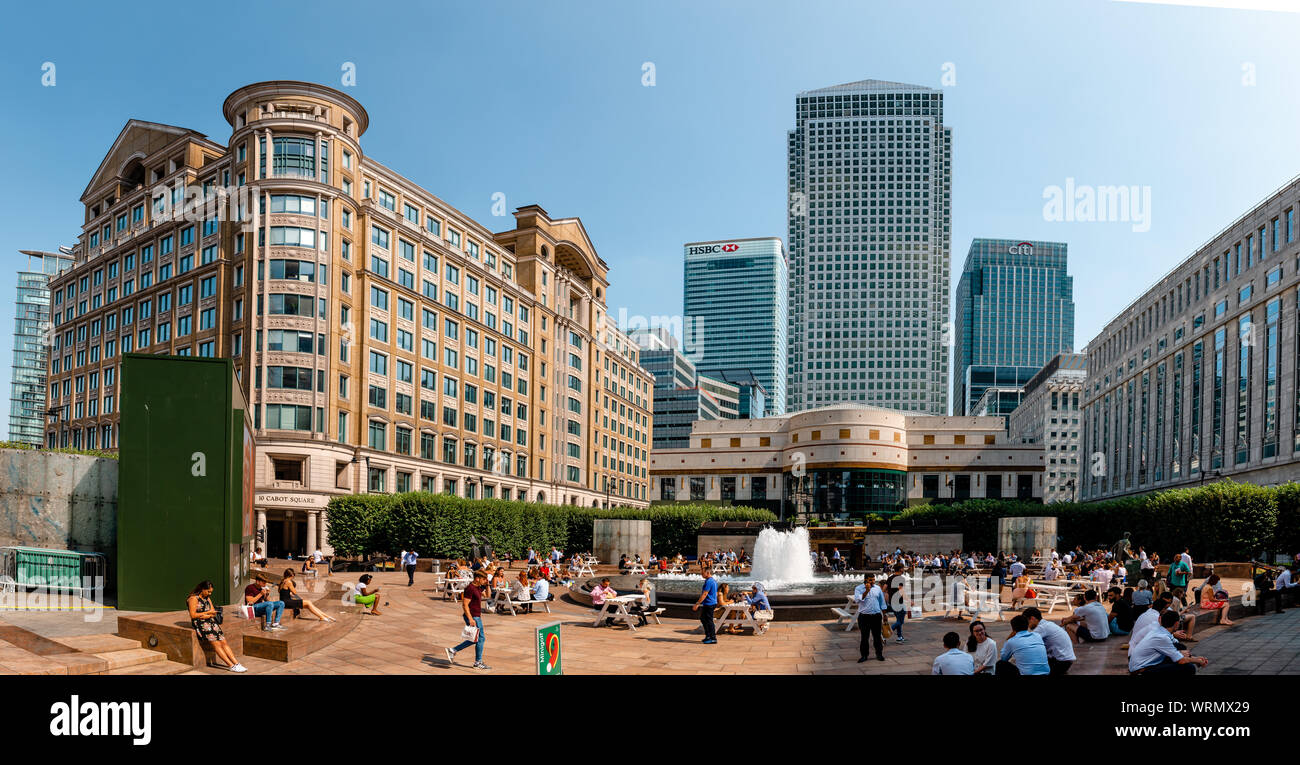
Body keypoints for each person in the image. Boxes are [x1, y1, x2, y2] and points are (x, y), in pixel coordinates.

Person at [187, 580, 246, 672]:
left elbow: (213, 612)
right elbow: (193, 615)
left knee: (224, 642)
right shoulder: (193, 599)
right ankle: (230, 665)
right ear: (202, 589)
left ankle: (236, 663)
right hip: (201, 624)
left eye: (211, 591)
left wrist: (209, 615)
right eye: (208, 591)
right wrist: (207, 613)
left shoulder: (207, 598)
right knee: (217, 644)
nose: (210, 593)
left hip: (211, 622)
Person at [1129, 610, 1209, 675]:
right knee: (1189, 668)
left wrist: (1195, 658)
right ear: (1176, 624)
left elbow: (1176, 650)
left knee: (1179, 647)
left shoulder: (1160, 630)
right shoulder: (1162, 637)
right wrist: (1198, 661)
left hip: (1144, 663)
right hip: (1141, 669)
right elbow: (1181, 660)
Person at [446, 571, 490, 670]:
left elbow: (487, 595)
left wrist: (487, 585)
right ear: (477, 578)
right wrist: (470, 618)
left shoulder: (478, 587)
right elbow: (464, 604)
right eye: (484, 579)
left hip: (476, 616)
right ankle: (478, 662)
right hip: (473, 616)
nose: (485, 581)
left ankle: (453, 650)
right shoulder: (470, 588)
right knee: (480, 639)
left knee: (475, 639)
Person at [1024, 607, 1075, 675]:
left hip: (1060, 663)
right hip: (1067, 661)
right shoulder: (1048, 624)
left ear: (1032, 618)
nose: (1027, 625)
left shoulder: (1041, 628)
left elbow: (1025, 643)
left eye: (1027, 622)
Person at [854, 574, 887, 662]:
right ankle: (864, 655)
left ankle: (879, 654)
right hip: (864, 616)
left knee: (877, 636)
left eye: (873, 580)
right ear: (865, 580)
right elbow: (857, 600)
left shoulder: (877, 588)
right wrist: (867, 591)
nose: (872, 582)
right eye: (870, 580)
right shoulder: (859, 588)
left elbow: (882, 602)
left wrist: (885, 615)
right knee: (864, 637)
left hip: (876, 616)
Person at [693, 569, 719, 644]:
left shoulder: (709, 582)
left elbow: (705, 594)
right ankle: (708, 636)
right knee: (703, 619)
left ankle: (713, 638)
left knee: (709, 620)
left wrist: (697, 603)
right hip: (710, 603)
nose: (701, 574)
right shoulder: (712, 581)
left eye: (702, 573)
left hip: (709, 604)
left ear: (708, 573)